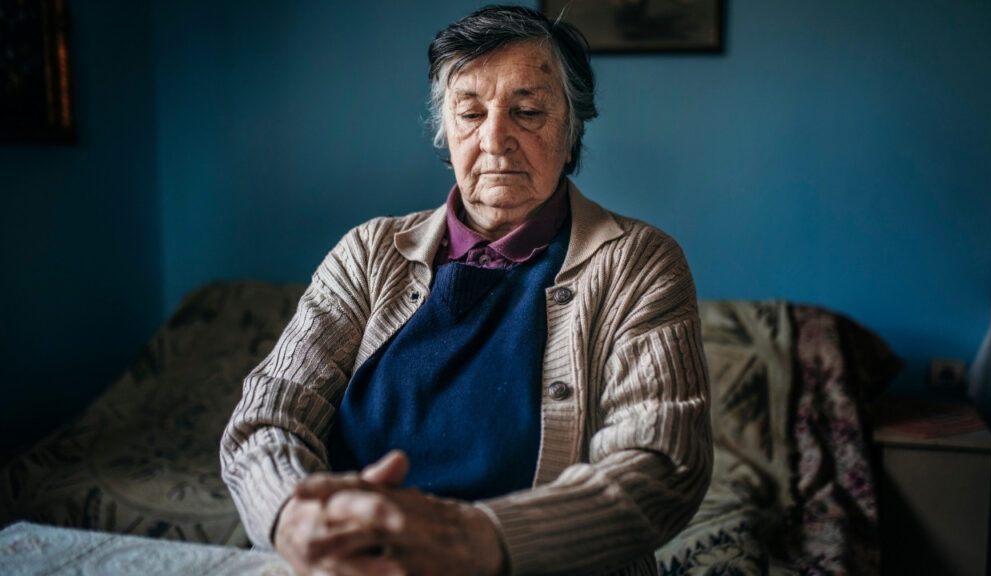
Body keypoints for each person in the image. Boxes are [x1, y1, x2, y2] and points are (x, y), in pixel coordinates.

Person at [220, 5, 711, 575]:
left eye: (527, 111)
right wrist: (291, 516)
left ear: (572, 131)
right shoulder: (367, 253)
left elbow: (663, 464)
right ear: (445, 133)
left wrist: (477, 540)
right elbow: (268, 417)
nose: (495, 138)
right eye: (470, 112)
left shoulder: (638, 262)